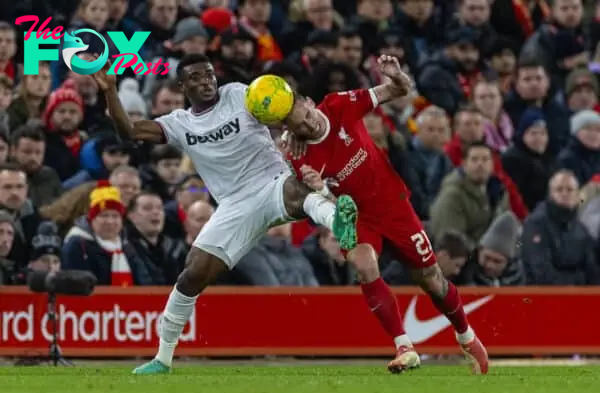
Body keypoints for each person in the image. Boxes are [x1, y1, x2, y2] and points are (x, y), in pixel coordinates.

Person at [91, 53, 359, 374]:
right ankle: (162, 358)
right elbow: (129, 132)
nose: (205, 82)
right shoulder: (179, 123)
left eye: (208, 75)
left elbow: (277, 107)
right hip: (233, 206)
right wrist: (109, 90)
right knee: (193, 273)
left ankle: (338, 224)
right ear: (182, 86)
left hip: (270, 182)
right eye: (196, 78)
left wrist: (296, 128)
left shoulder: (237, 94)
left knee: (299, 192)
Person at [282, 55, 488, 374]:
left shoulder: (340, 104)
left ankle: (467, 337)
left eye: (306, 116)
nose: (307, 125)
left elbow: (399, 91)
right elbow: (318, 200)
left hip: (393, 206)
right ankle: (403, 346)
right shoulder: (297, 153)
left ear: (309, 102)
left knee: (432, 280)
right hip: (357, 216)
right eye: (298, 126)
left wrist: (396, 76)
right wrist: (318, 188)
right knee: (364, 266)